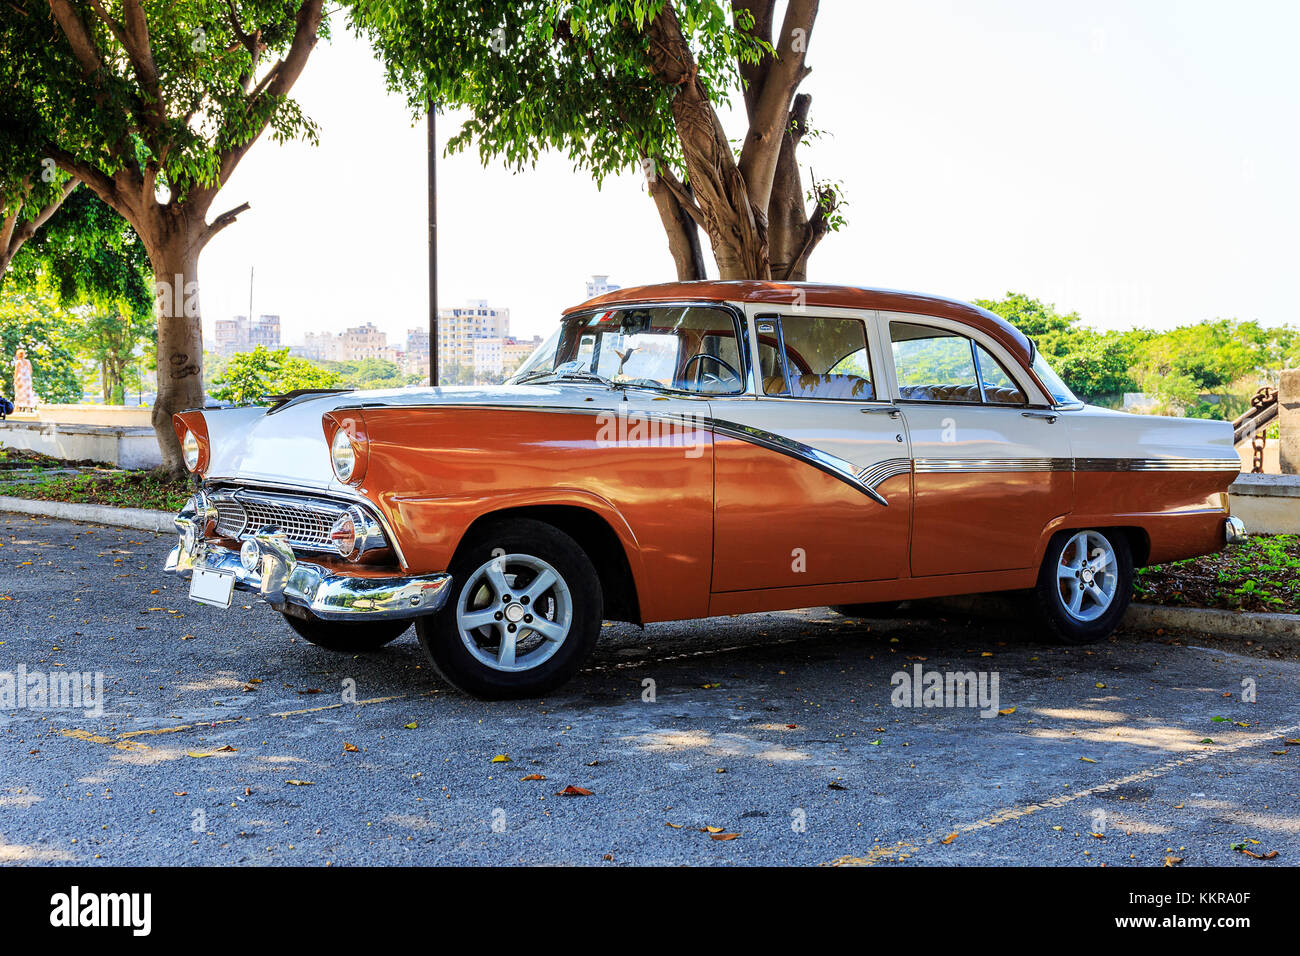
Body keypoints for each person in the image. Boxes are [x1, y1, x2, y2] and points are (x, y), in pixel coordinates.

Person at [13, 347, 39, 413]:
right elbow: (30, 370)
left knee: (20, 393)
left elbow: (16, 371)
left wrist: (15, 379)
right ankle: (29, 407)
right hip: (27, 379)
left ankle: (19, 407)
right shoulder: (28, 361)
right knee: (28, 393)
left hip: (21, 378)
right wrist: (27, 376)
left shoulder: (18, 362)